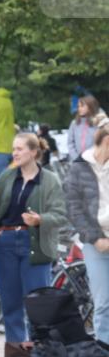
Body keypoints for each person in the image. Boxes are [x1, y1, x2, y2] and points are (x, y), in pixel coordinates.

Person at [0, 132, 67, 346]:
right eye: (13, 149)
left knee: (38, 303)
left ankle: (42, 353)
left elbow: (60, 214)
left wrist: (40, 219)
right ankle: (16, 355)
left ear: (33, 151)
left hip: (36, 244)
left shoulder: (50, 180)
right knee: (10, 303)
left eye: (19, 149)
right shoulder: (7, 176)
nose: (15, 153)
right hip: (5, 242)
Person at [64, 113, 109, 343]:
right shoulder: (80, 167)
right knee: (103, 302)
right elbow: (74, 207)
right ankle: (105, 352)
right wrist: (95, 238)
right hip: (96, 243)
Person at [67, 94, 103, 161]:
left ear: (90, 107)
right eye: (78, 106)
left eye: (82, 106)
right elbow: (70, 143)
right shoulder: (74, 123)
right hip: (78, 161)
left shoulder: (99, 123)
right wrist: (76, 158)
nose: (79, 108)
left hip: (95, 161)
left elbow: (102, 143)